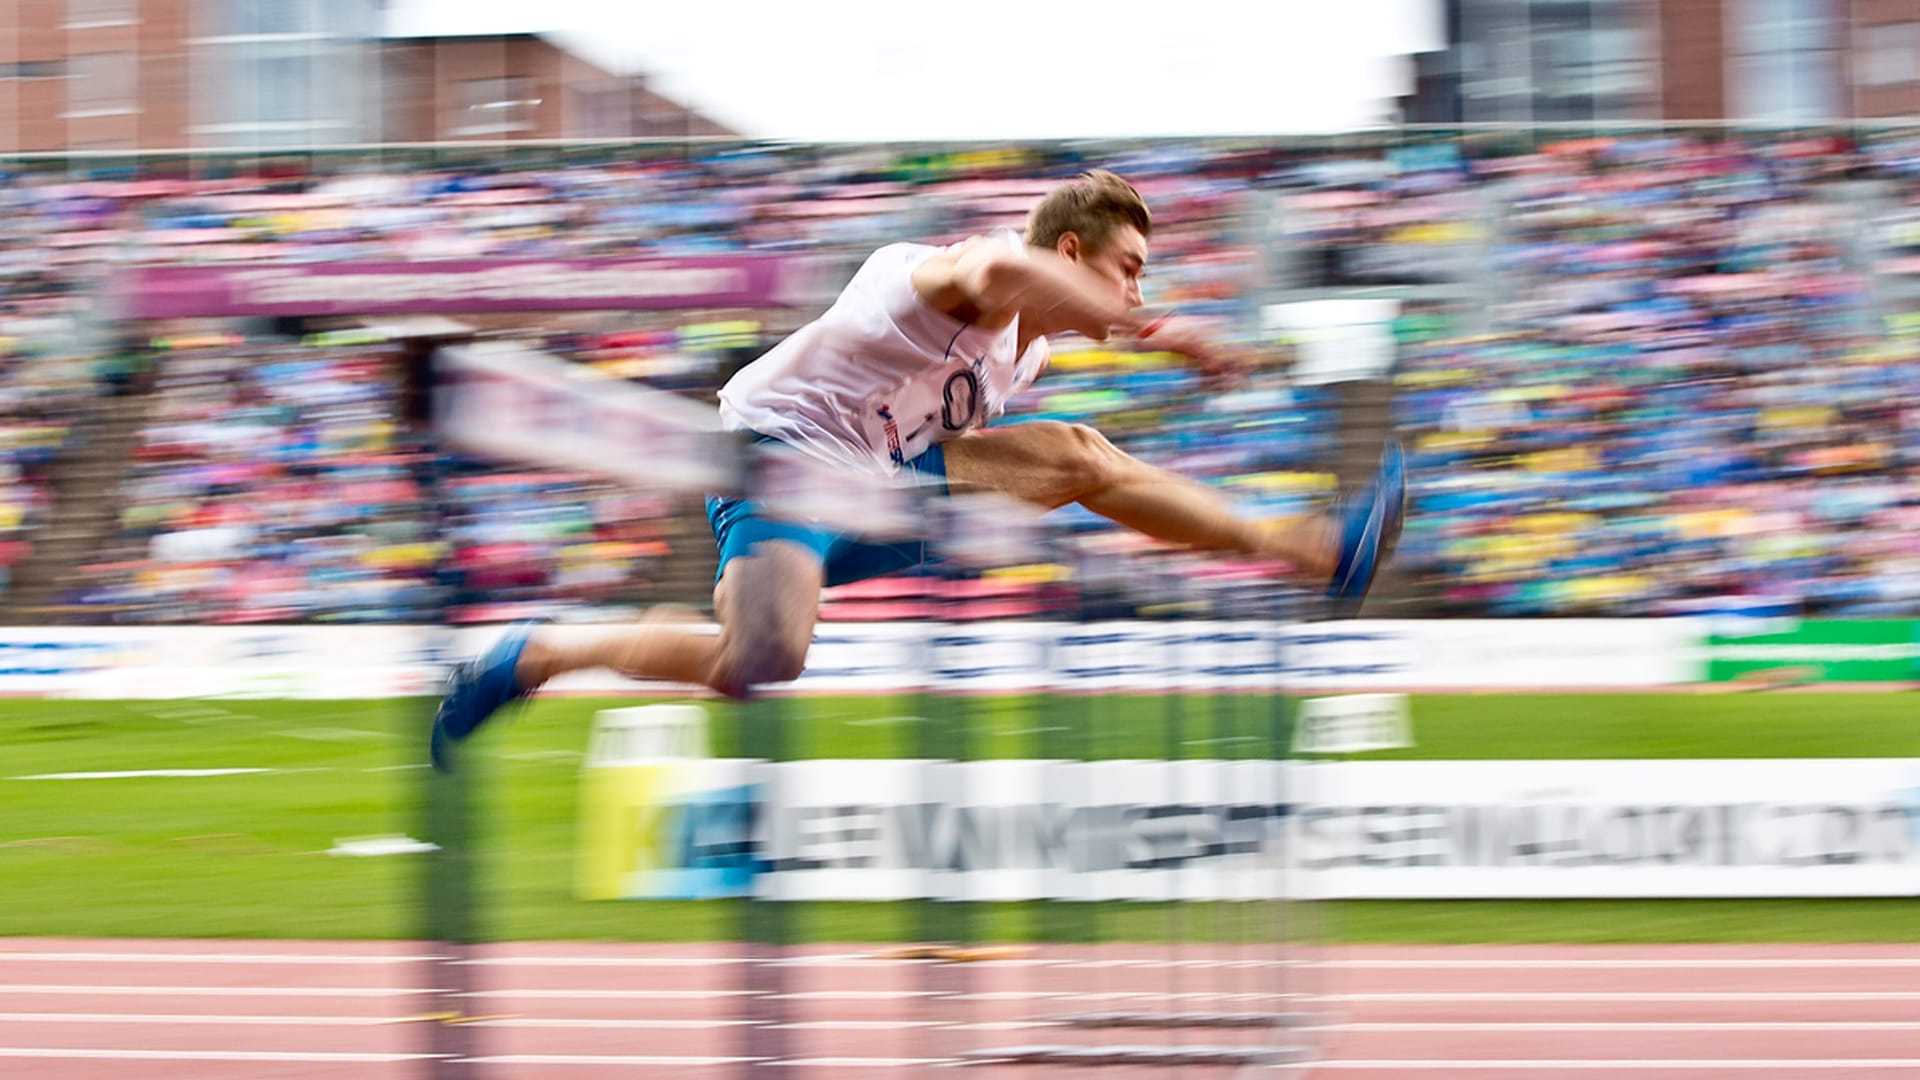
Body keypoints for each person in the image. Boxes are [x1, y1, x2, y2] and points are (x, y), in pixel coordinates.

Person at [431, 170, 1404, 769]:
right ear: (1074, 250)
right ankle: (540, 653)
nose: (1139, 285)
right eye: (1132, 266)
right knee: (757, 662)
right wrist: (1148, 327)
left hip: (880, 480)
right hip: (781, 458)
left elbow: (961, 418)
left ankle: (1316, 551)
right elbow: (1005, 269)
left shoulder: (1027, 357)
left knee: (1076, 455)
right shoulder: (957, 274)